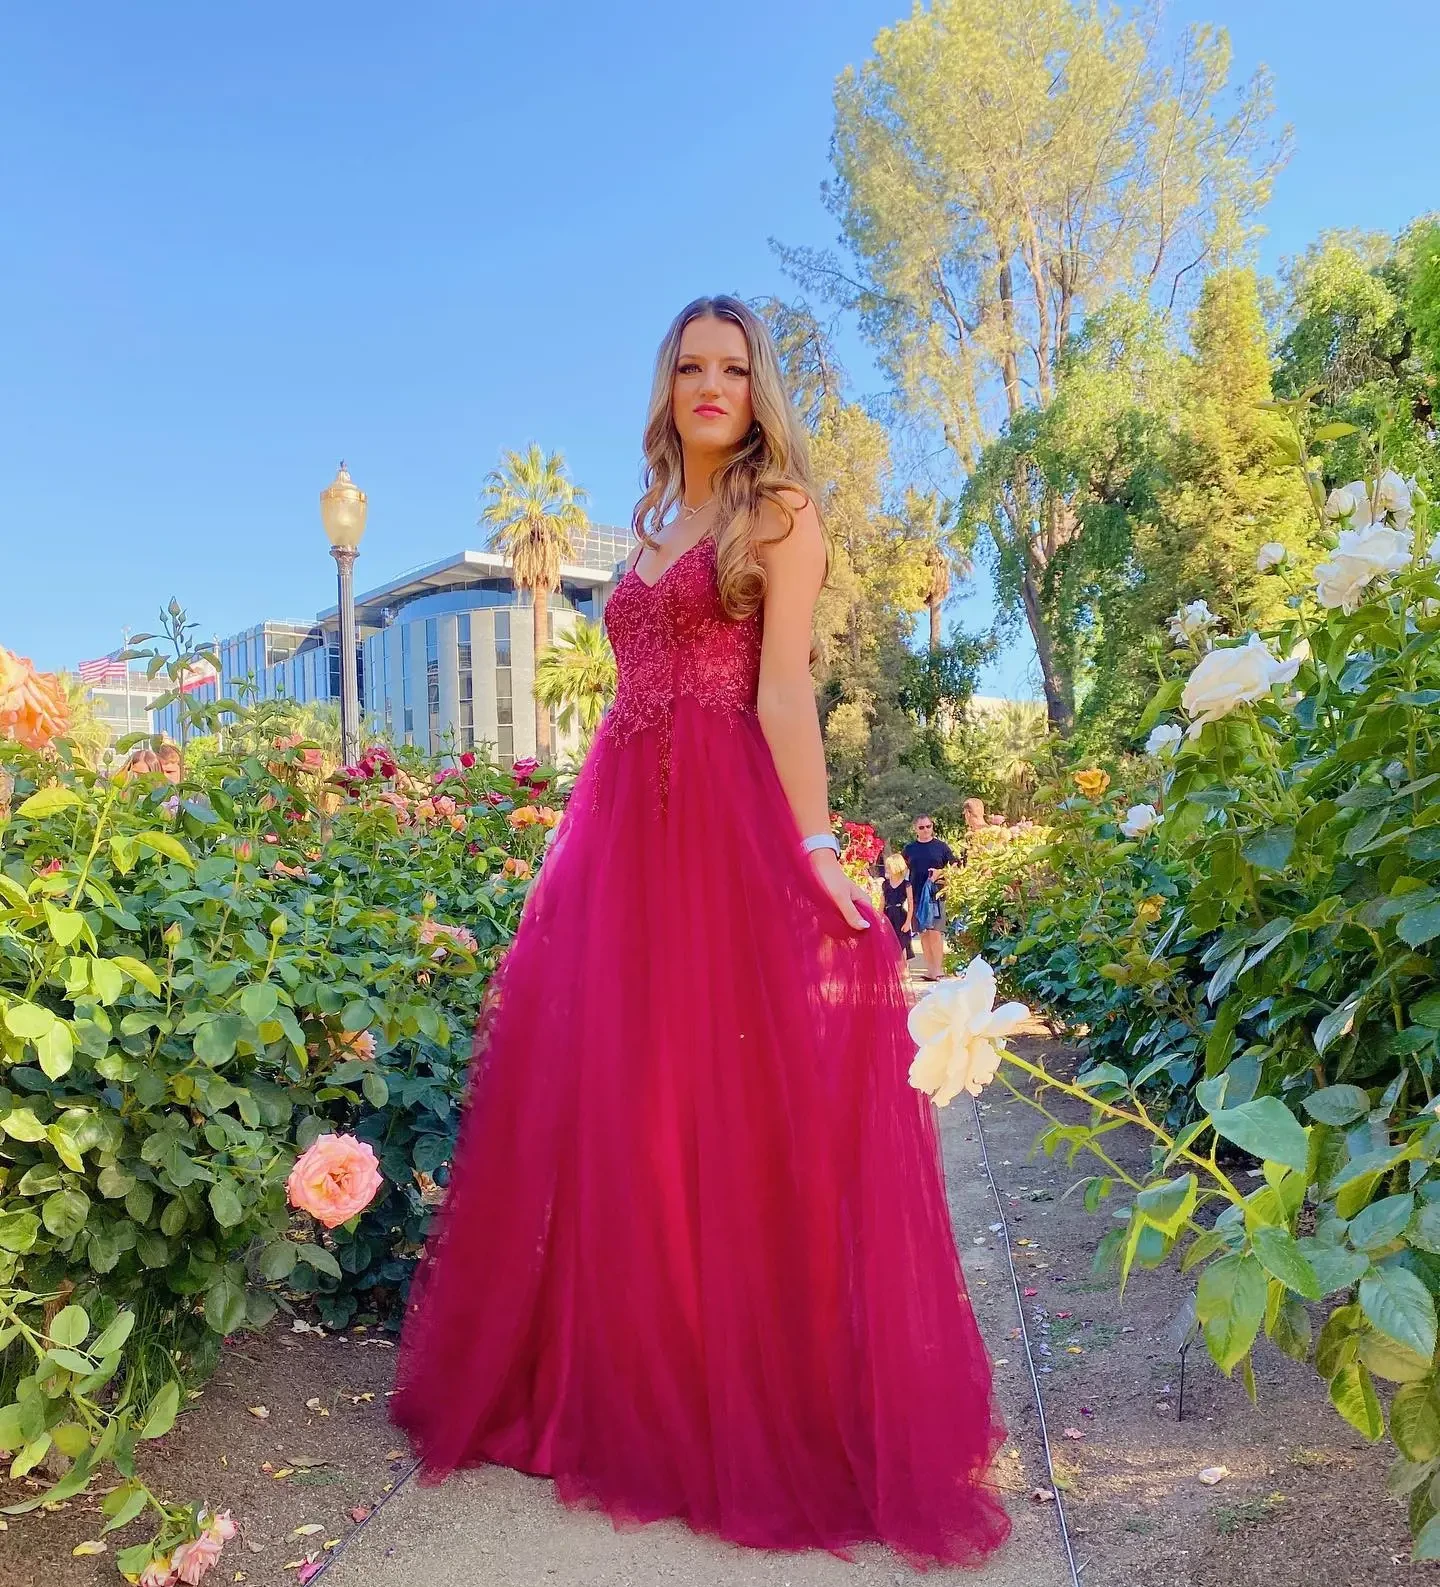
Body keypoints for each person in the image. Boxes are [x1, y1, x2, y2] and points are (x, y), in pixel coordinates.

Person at [391, 296, 1008, 1568]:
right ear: (667, 387)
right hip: (621, 834)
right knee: (628, 1110)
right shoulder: (651, 524)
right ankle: (637, 1388)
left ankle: (757, 1405)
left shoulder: (776, 512)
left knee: (730, 1105)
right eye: (692, 366)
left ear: (756, 386)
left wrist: (819, 849)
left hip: (722, 829)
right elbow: (628, 695)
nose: (713, 384)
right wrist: (566, 852)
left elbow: (784, 687)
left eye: (734, 366)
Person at [903, 814, 958, 982]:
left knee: (935, 932)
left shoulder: (941, 847)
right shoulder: (909, 849)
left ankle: (938, 969)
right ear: (915, 829)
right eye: (921, 827)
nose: (926, 830)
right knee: (924, 933)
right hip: (916, 896)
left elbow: (954, 865)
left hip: (936, 895)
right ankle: (930, 970)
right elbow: (901, 868)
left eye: (928, 826)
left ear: (932, 826)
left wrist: (940, 872)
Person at [881, 850, 914, 956]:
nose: (888, 869)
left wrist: (908, 922)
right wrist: (879, 917)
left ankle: (904, 969)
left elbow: (910, 903)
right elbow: (882, 902)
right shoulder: (885, 884)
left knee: (902, 943)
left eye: (889, 867)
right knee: (888, 943)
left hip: (900, 915)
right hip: (888, 914)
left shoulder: (906, 884)